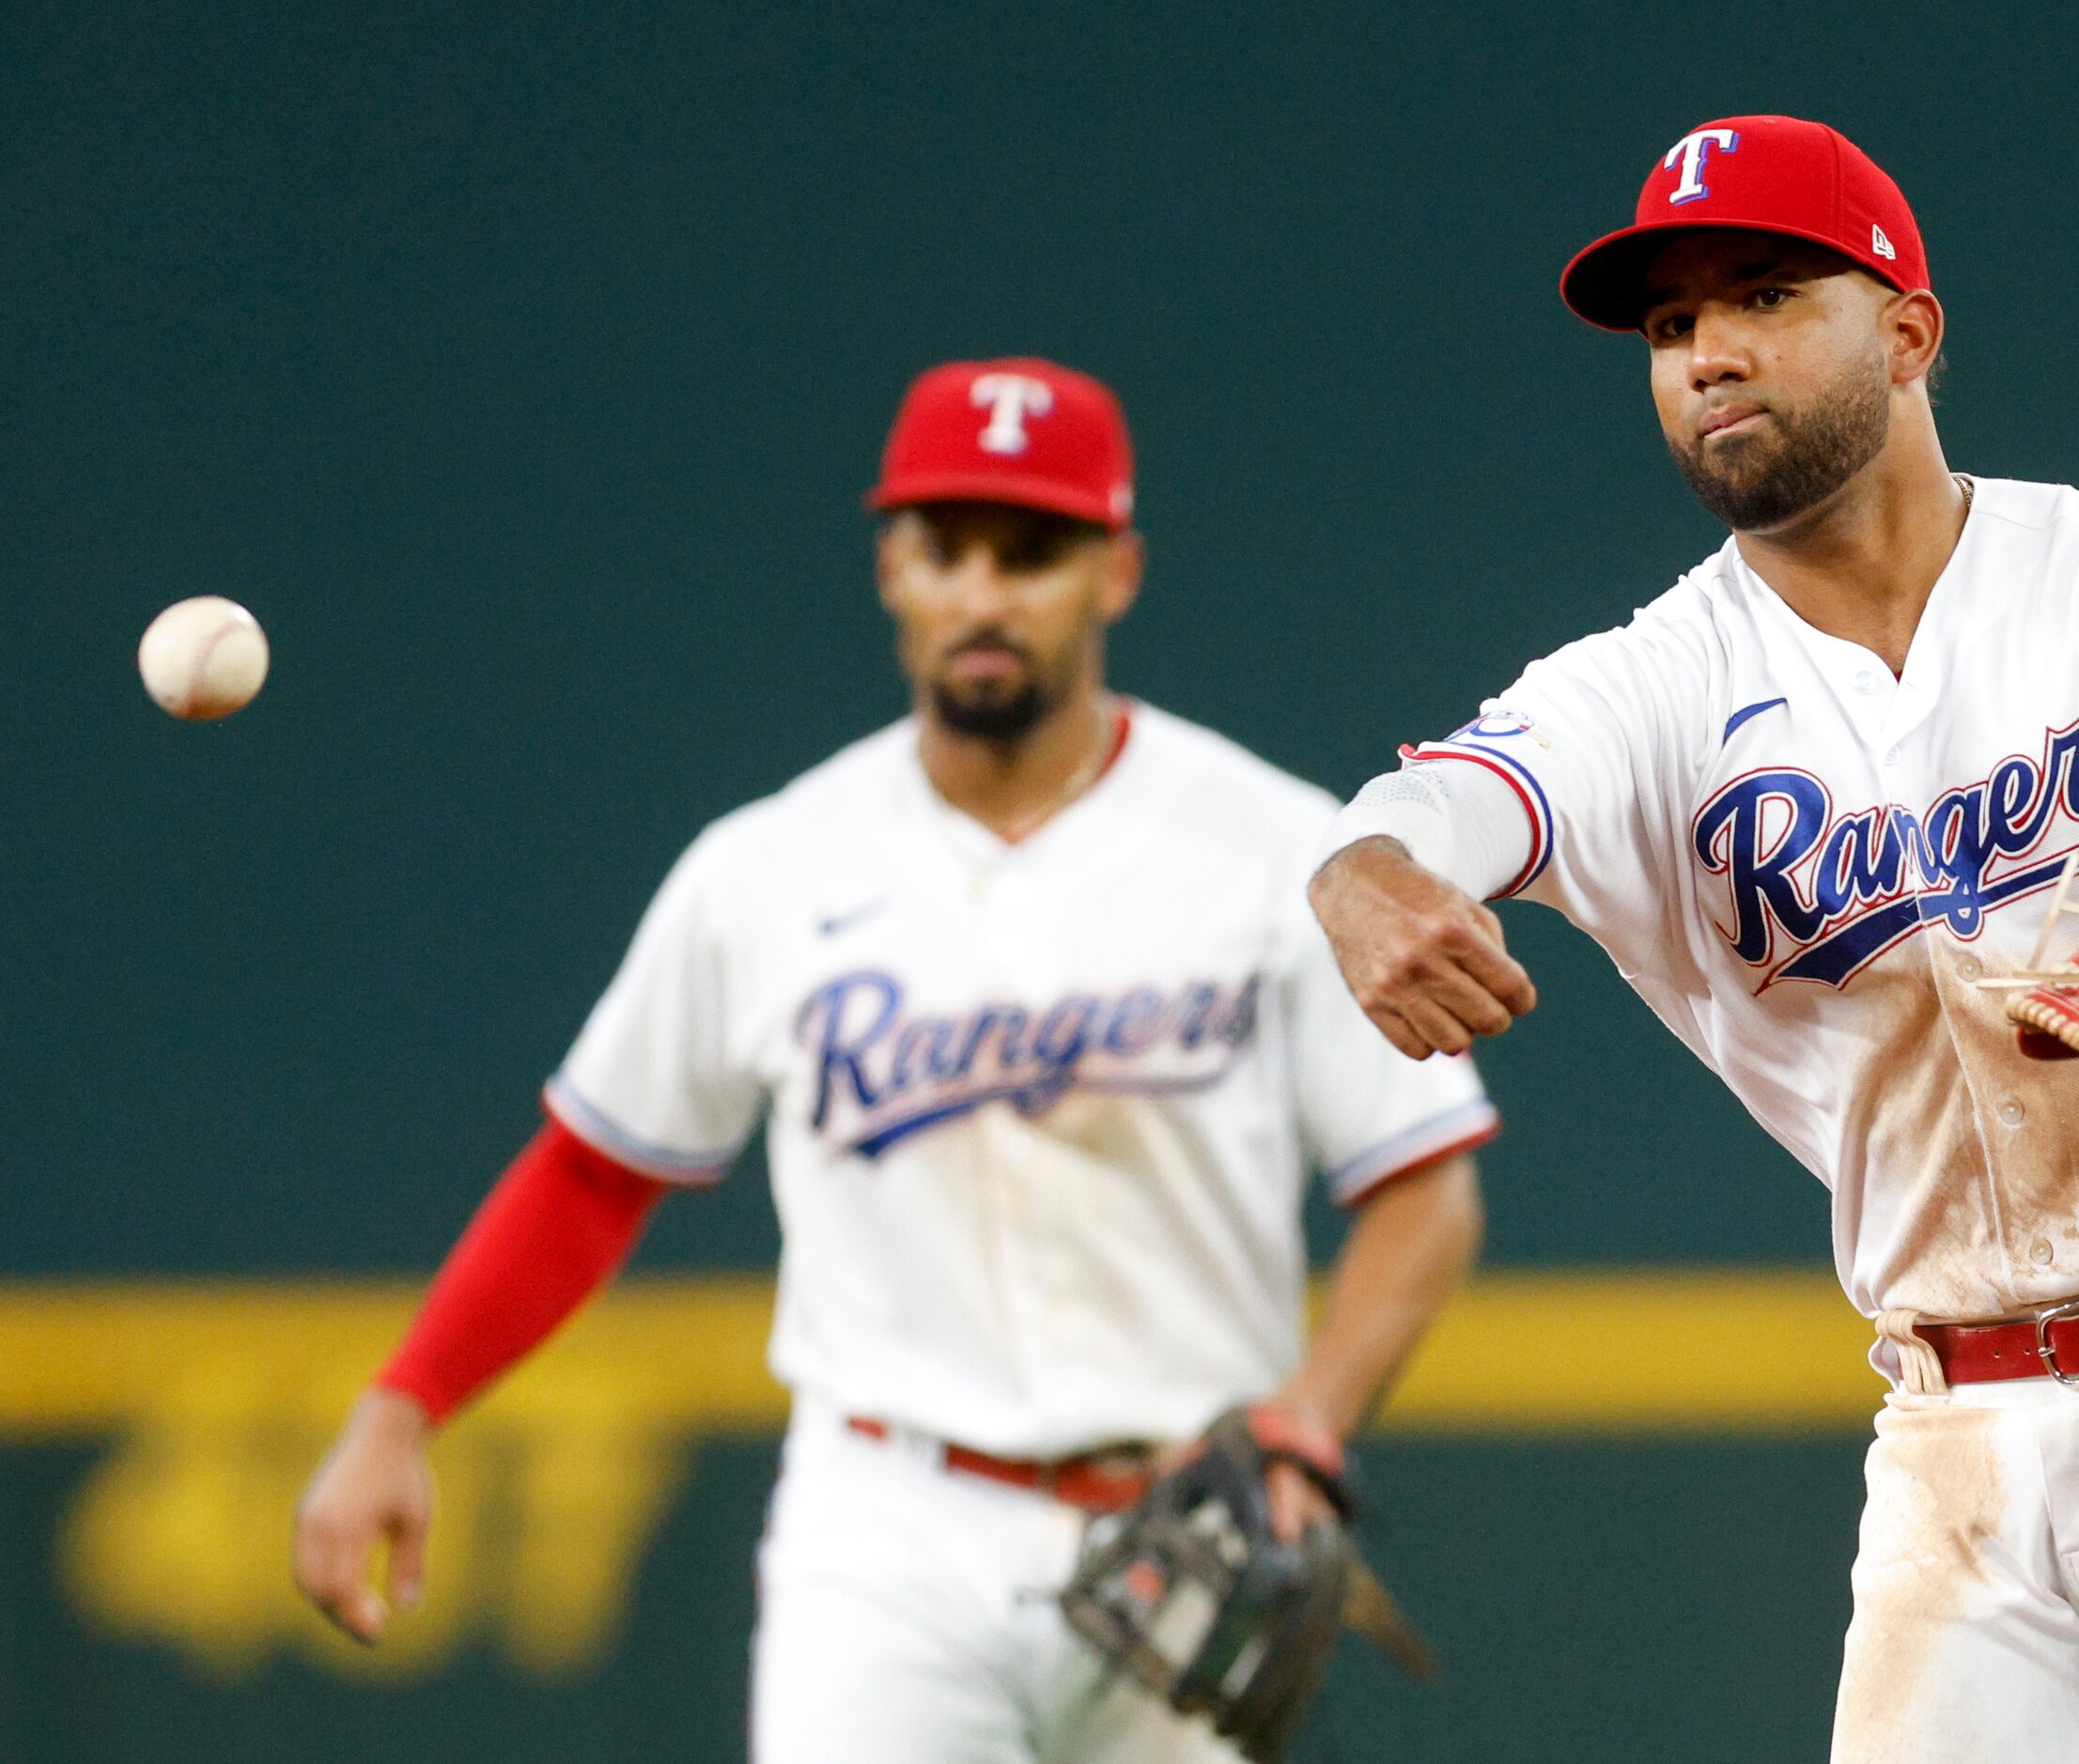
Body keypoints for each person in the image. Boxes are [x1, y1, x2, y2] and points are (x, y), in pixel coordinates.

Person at [1306, 116, 2079, 1762]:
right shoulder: (1649, 690)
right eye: (1670, 328)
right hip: (1961, 1431)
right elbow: (1434, 810)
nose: (1710, 354)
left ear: (1910, 330)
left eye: (1766, 295)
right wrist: (1361, 872)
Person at [293, 357, 1498, 1763]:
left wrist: (1309, 1416)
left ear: (1117, 570)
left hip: (1184, 1517)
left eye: (1033, 552)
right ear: (891, 568)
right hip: (885, 1533)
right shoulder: (765, 868)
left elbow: (1423, 1187)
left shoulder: (1276, 851)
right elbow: (592, 1170)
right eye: (947, 549)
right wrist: (403, 1404)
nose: (984, 593)